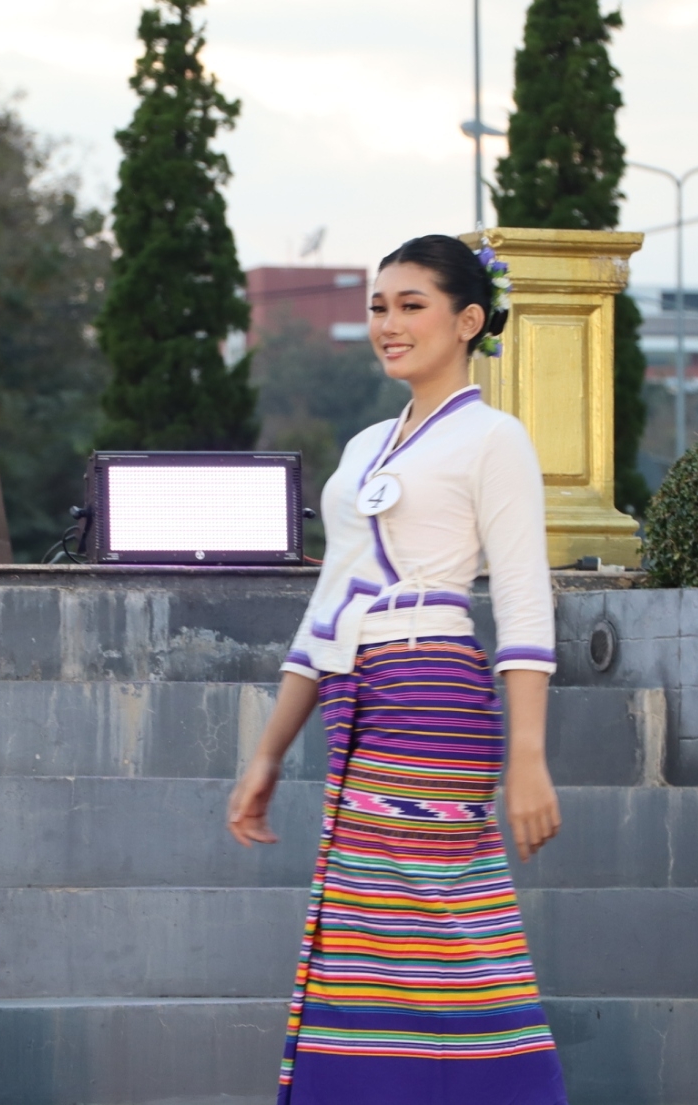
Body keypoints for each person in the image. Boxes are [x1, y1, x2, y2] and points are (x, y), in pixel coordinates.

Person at [227, 234, 569, 1105]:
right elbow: (326, 607)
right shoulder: (366, 445)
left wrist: (526, 754)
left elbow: (526, 600)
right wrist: (269, 750)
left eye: (412, 304)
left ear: (467, 320)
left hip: (432, 689)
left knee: (437, 925)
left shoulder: (495, 437)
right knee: (365, 932)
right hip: (353, 694)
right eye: (380, 305)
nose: (389, 322)